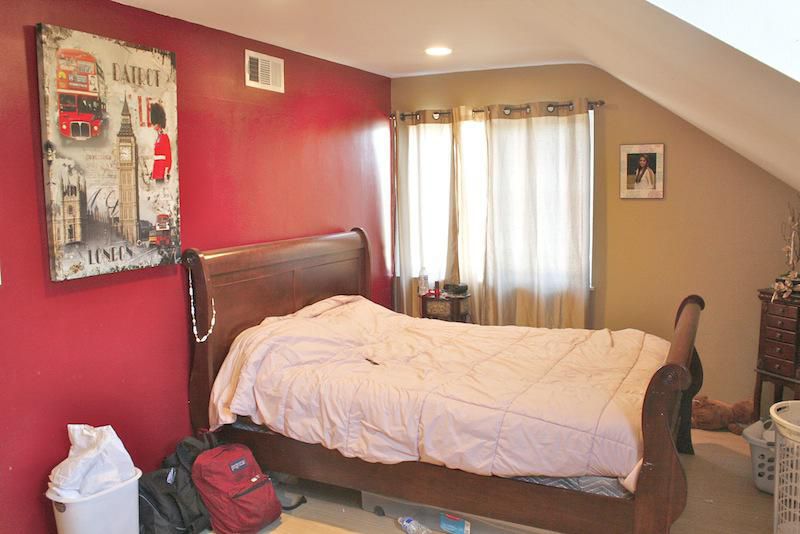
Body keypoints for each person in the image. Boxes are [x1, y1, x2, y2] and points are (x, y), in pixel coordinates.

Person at [150, 103, 172, 182]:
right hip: (157, 168)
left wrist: (167, 170)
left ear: (159, 124)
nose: (153, 126)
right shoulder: (158, 137)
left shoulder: (164, 137)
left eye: (155, 124)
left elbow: (168, 155)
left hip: (162, 169)